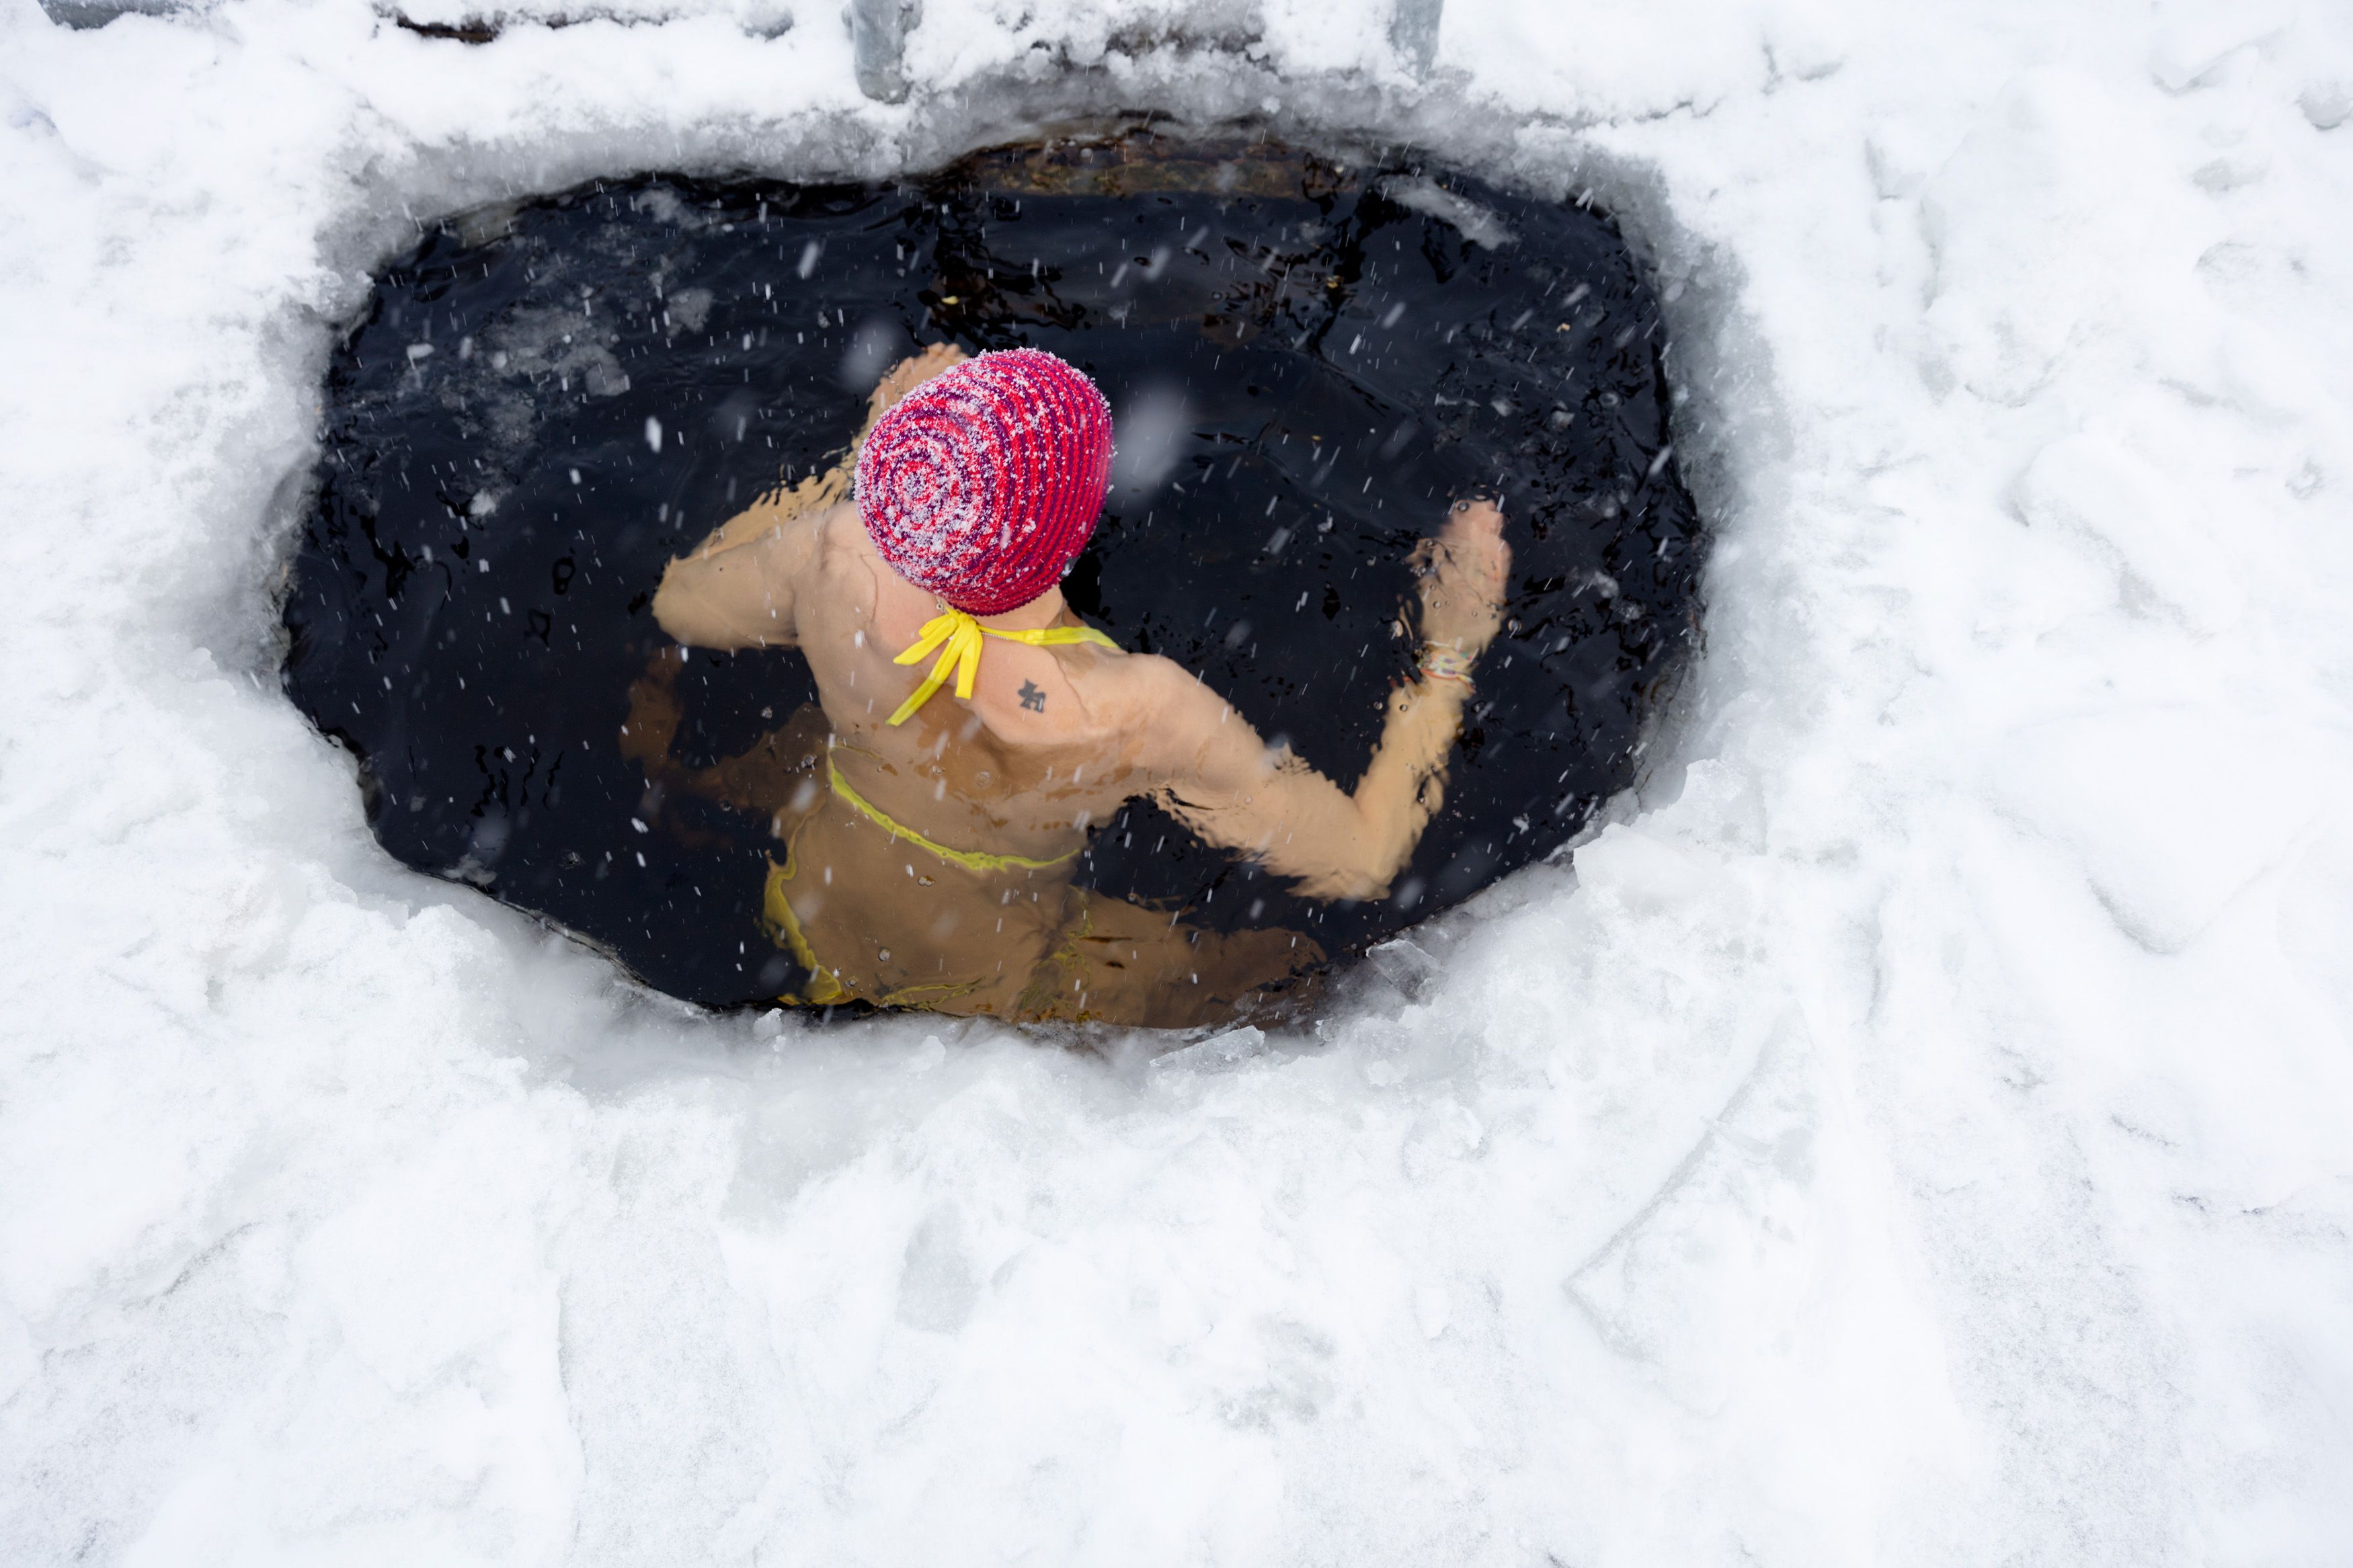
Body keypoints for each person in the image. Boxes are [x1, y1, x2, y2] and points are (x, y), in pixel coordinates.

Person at [631, 343, 1509, 1028]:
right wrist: (1448, 654)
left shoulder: (838, 559)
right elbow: (1359, 858)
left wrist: (868, 462)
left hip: (809, 902)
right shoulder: (1133, 710)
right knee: (1289, 972)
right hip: (986, 993)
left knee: (787, 757)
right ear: (1073, 535)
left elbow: (679, 597)